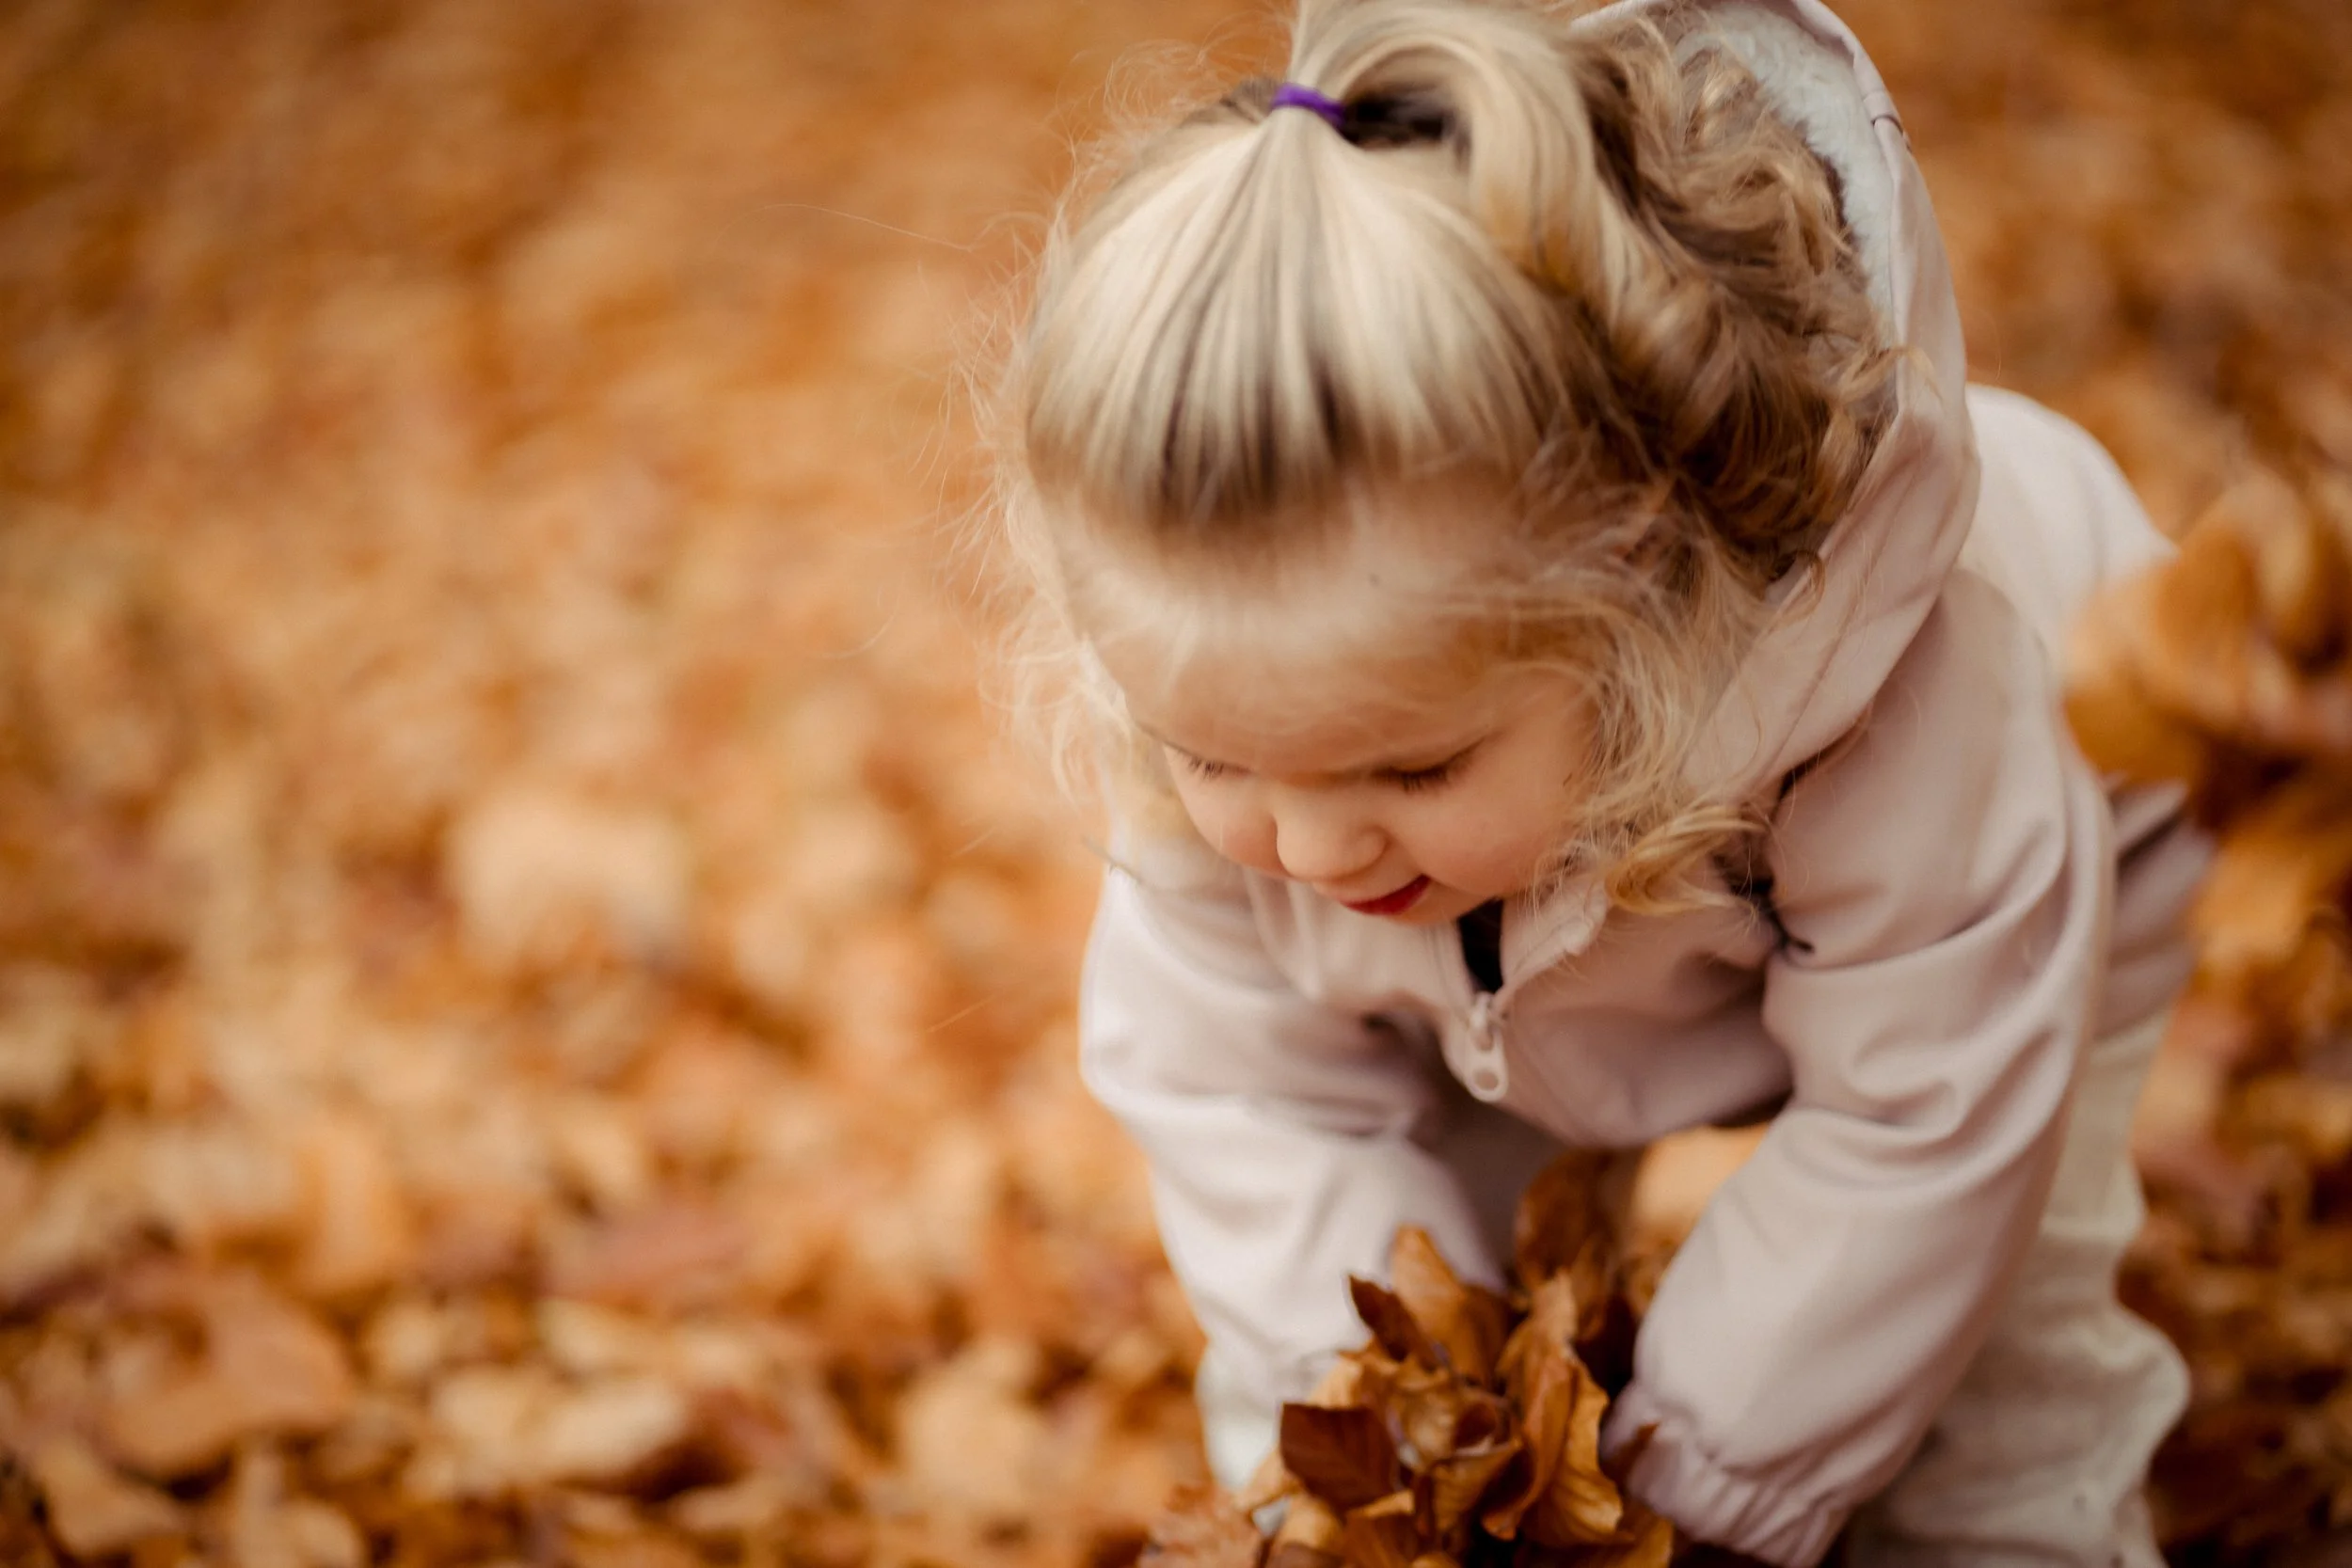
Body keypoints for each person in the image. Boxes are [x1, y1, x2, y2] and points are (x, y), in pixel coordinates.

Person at [986, 0, 2209, 1560]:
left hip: (2033, 902)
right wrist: (1395, 1443)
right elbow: (1246, 1094)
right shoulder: (1238, 687)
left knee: (1983, 1346)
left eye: (1412, 760)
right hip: (1512, 967)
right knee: (1444, 1274)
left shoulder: (1920, 707)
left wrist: (1685, 1493)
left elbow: (1929, 1119)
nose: (1300, 835)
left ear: (1646, 609)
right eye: (1216, 752)